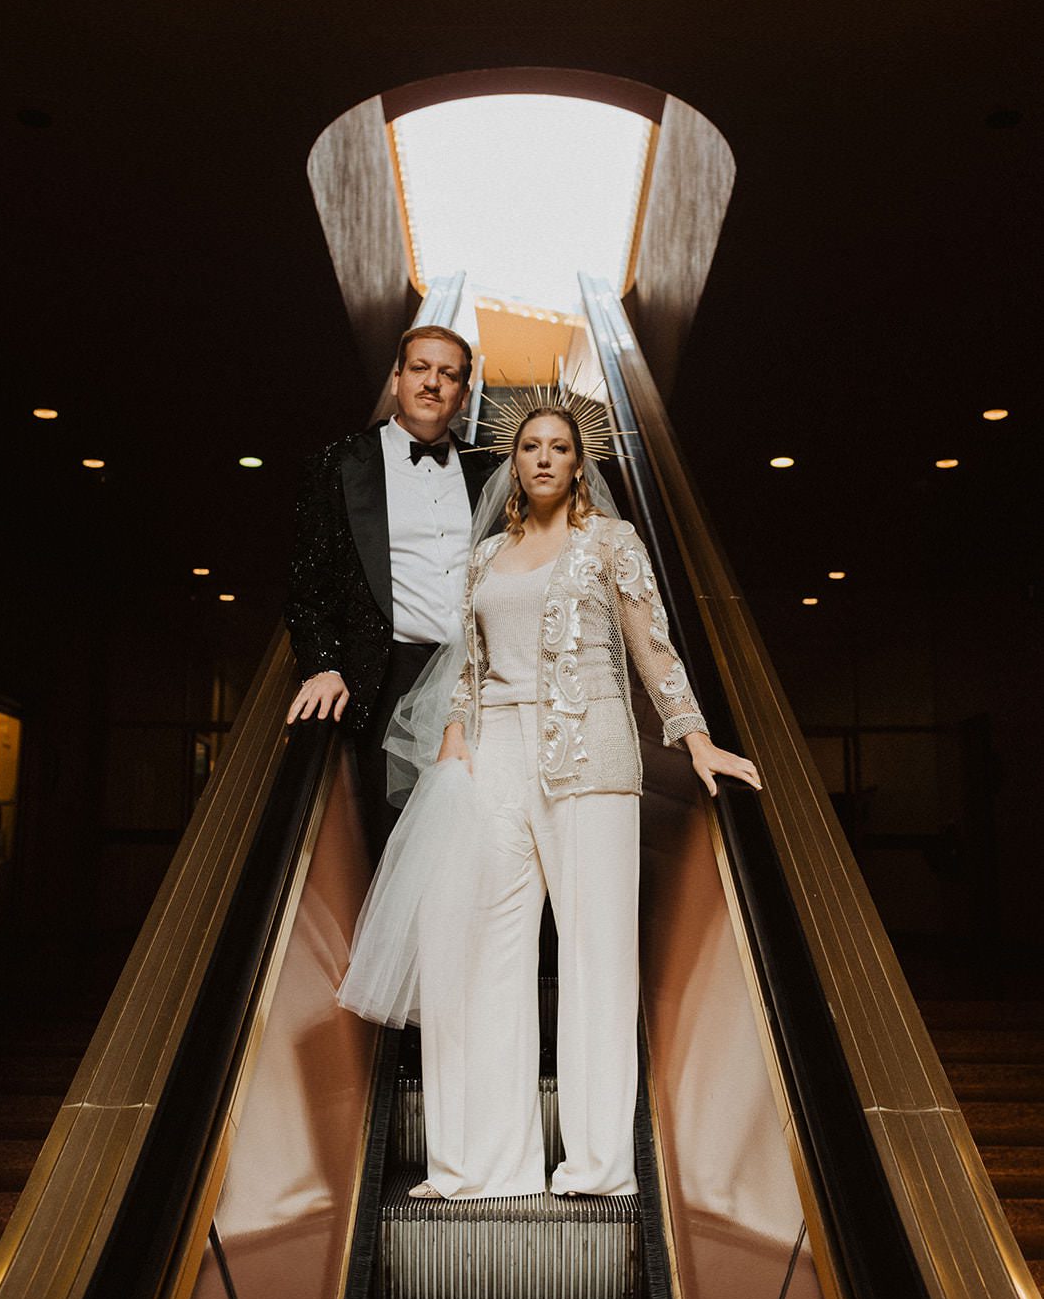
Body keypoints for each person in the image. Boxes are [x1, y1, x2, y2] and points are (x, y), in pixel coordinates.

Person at [336, 399, 762, 1201]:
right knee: (473, 954)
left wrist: (694, 736)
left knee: (596, 957)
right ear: (513, 461)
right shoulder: (484, 556)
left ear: (577, 464)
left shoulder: (610, 542)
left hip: (591, 759)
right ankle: (476, 1168)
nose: (540, 458)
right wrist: (456, 730)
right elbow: (467, 665)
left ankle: (596, 1168)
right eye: (529, 446)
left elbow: (652, 647)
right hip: (492, 755)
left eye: (557, 447)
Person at [283, 324, 497, 855]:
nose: (433, 383)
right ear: (397, 377)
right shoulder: (338, 464)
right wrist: (323, 665)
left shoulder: (491, 472)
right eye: (420, 369)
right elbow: (308, 583)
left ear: (464, 395)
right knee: (395, 847)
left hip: (481, 683)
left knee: (482, 841)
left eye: (448, 375)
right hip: (386, 680)